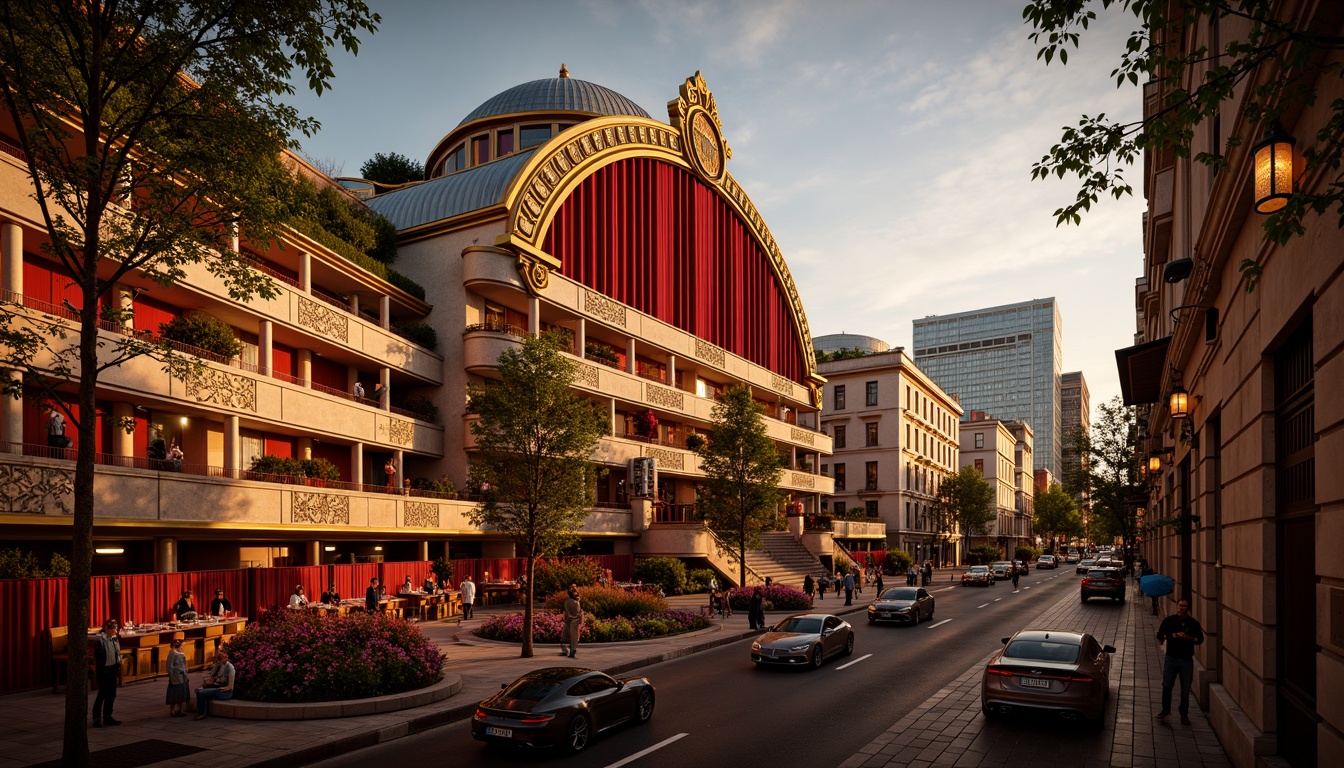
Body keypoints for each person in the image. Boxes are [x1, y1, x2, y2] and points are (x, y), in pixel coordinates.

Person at [1156, 599, 1205, 725]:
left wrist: (1187, 637)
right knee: (1167, 685)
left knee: (1185, 689)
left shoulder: (1193, 623)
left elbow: (1199, 640)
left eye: (1184, 606)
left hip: (1186, 660)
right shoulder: (1169, 621)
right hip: (1171, 658)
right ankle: (1165, 710)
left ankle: (1184, 714)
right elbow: (1160, 635)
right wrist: (1171, 636)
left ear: (1188, 609)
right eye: (1180, 606)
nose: (1181, 608)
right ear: (1177, 607)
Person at [91, 618, 122, 727]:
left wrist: (118, 665)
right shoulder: (100, 640)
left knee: (112, 694)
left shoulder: (114, 639)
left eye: (116, 628)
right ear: (107, 629)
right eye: (113, 628)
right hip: (104, 671)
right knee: (102, 694)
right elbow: (98, 656)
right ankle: (96, 718)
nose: (115, 631)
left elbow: (117, 652)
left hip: (113, 669)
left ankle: (108, 717)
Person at [194, 648, 235, 720]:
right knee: (198, 691)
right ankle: (201, 711)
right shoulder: (217, 666)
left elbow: (230, 686)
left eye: (224, 657)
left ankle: (201, 713)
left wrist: (220, 688)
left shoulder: (230, 667)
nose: (221, 659)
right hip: (216, 686)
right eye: (220, 657)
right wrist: (206, 684)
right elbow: (211, 680)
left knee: (201, 693)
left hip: (224, 691)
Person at [165, 637, 189, 717]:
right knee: (174, 693)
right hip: (175, 676)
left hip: (182, 676)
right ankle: (172, 710)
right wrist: (171, 676)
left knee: (182, 692)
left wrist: (185, 672)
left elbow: (183, 663)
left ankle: (179, 709)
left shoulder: (181, 652)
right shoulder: (172, 653)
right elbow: (169, 666)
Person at [559, 587, 582, 658]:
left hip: (568, 620)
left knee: (565, 635)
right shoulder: (577, 603)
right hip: (575, 621)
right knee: (573, 636)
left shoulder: (567, 602)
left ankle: (565, 649)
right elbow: (578, 613)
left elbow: (566, 612)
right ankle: (573, 650)